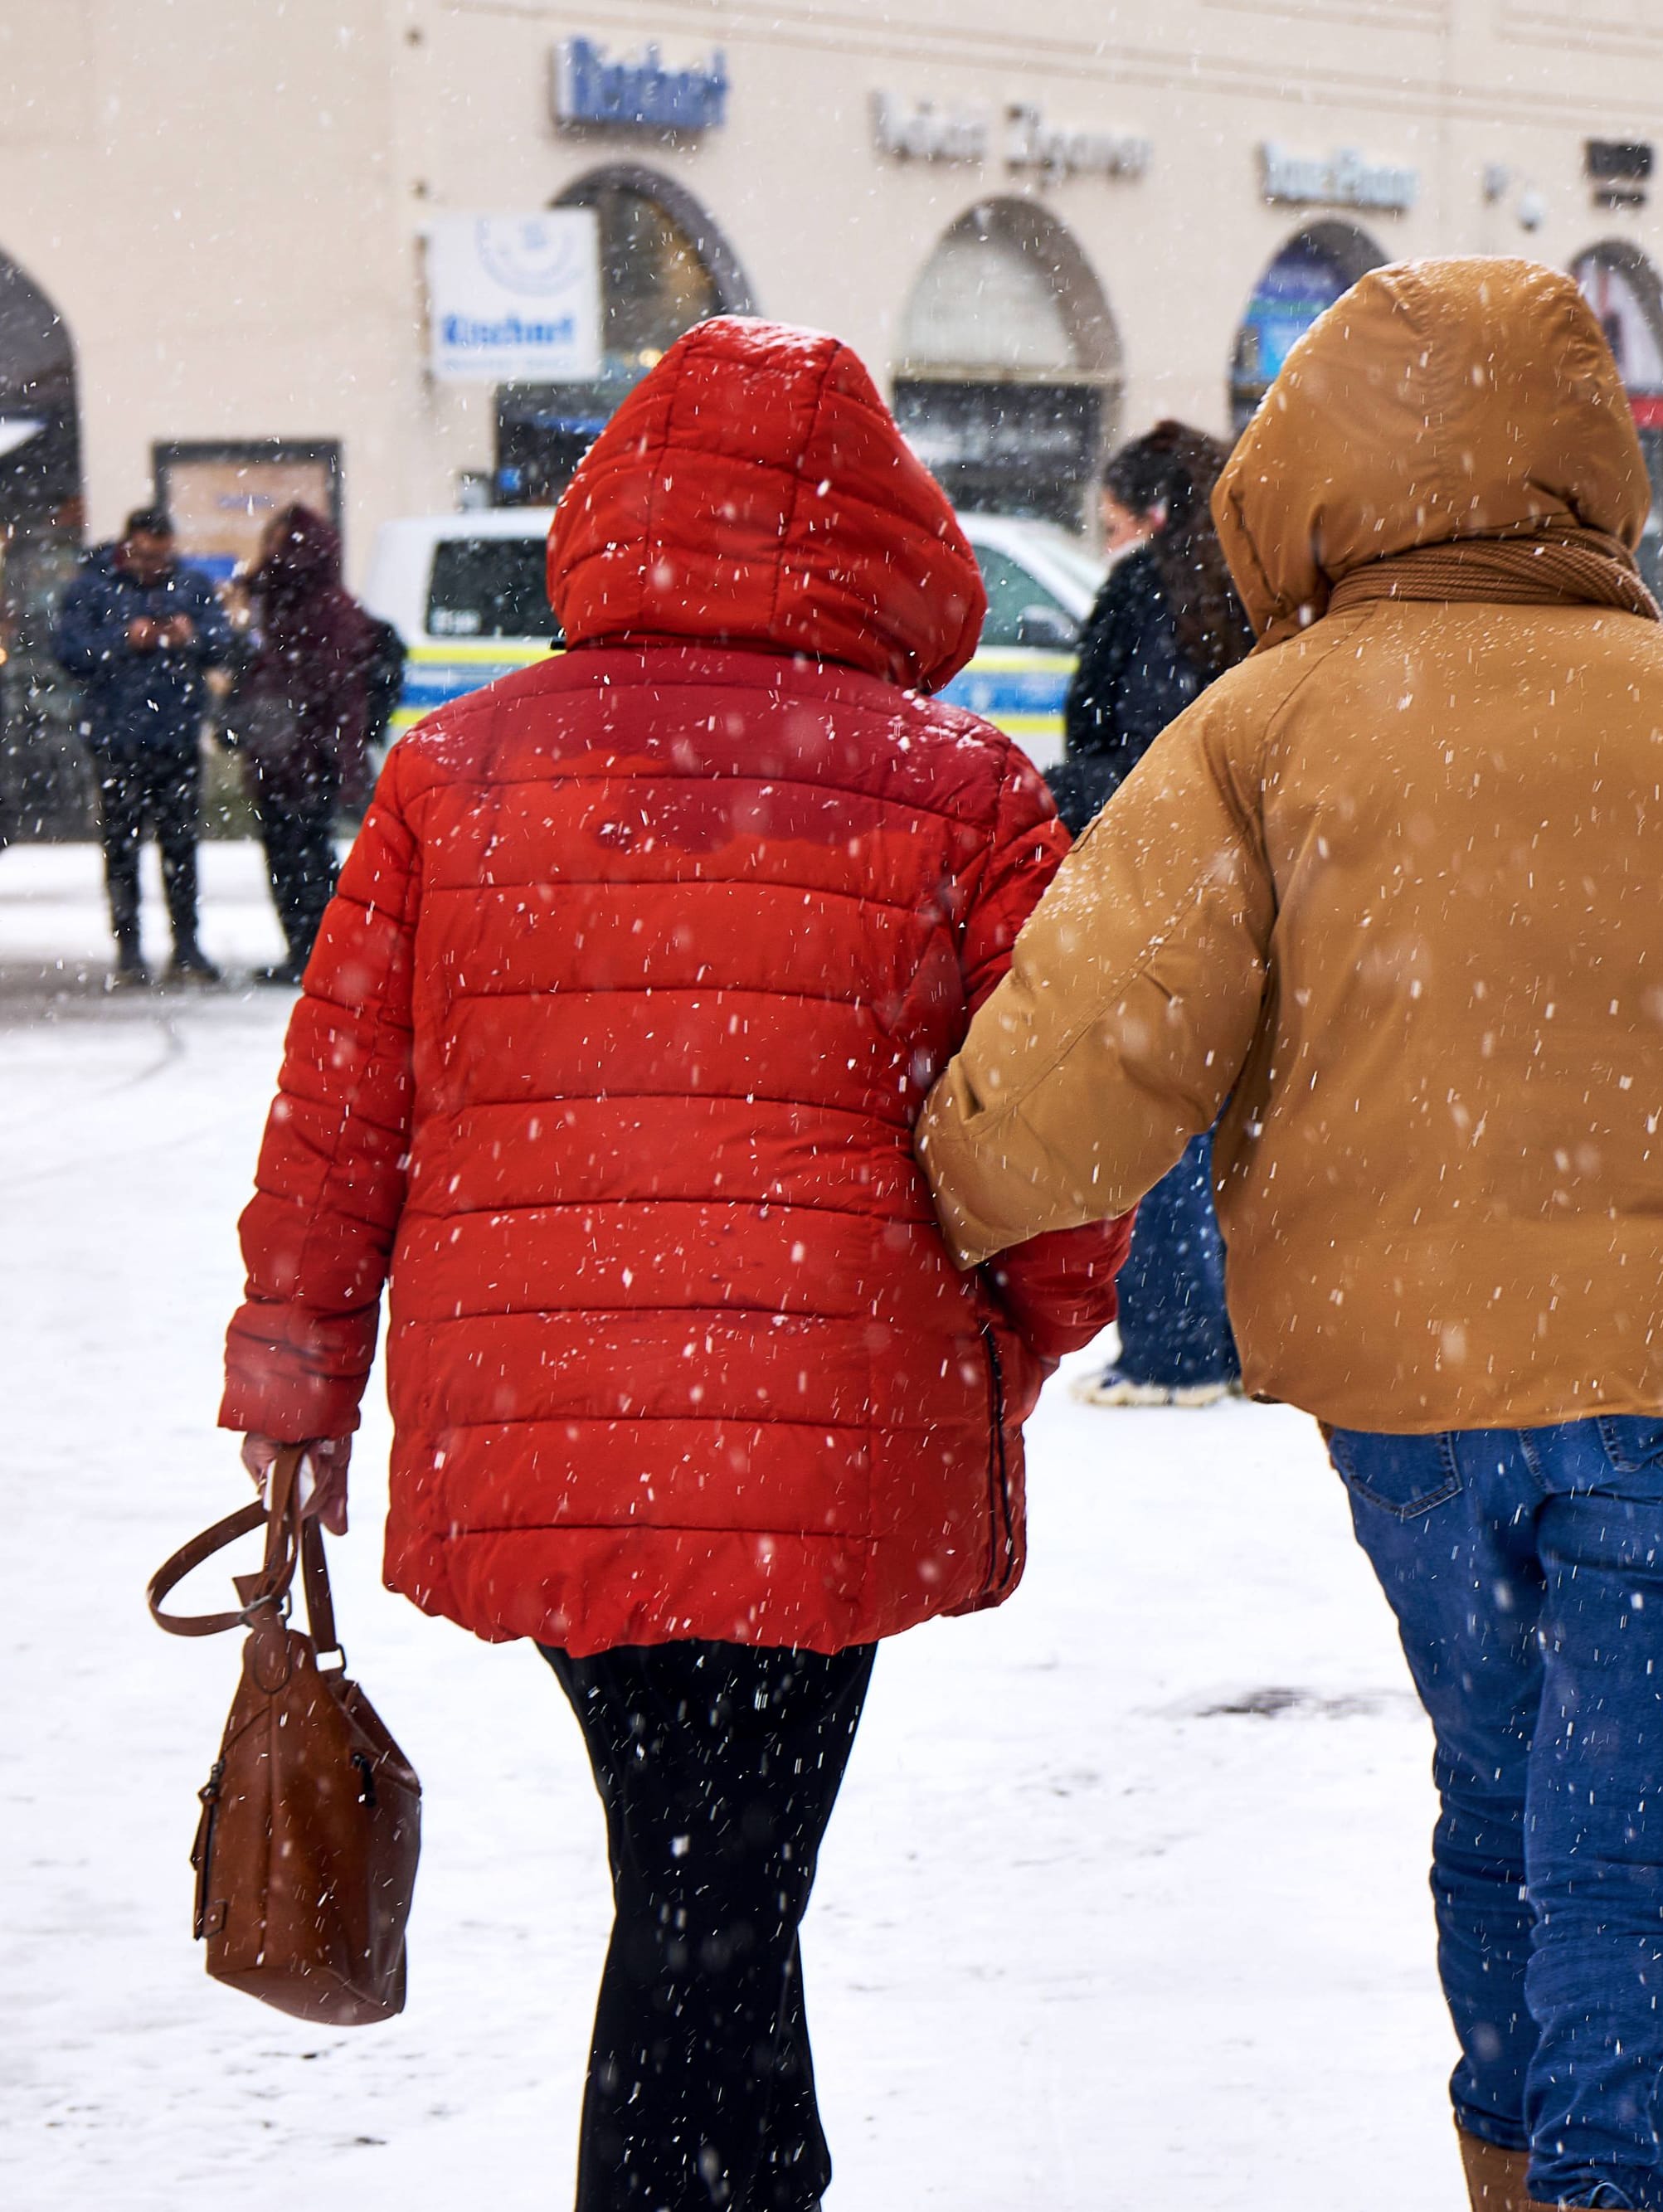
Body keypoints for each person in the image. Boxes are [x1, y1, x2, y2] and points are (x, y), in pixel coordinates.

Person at [917, 258, 1663, 2212]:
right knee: (1622, 1852)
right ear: (1576, 464)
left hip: (1410, 1394)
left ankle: (1504, 2164)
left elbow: (1105, 1051)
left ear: (1316, 470)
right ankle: (1601, 2178)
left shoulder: (1262, 726)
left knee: (1493, 1786)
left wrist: (951, 1191)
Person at [217, 319, 1129, 2212]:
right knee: (725, 1889)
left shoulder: (451, 778)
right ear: (890, 532)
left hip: (539, 1427)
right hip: (829, 1429)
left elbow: (338, 1116)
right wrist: (998, 1348)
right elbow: (1072, 1139)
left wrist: (298, 1375)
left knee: (698, 1877)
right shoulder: (956, 789)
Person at [1047, 424, 1252, 1408]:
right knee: (1253, 1105)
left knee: (1162, 1107)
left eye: (1113, 521)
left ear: (1148, 514)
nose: (1109, 539)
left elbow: (1091, 729)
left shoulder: (1140, 591)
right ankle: (1258, 1332)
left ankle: (1175, 1344)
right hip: (1269, 874)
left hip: (1160, 870)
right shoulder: (1268, 585)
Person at [52, 505, 231, 985]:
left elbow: (222, 641)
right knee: (122, 848)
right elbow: (69, 652)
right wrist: (123, 641)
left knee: (181, 846)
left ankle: (186, 945)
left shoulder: (191, 586)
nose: (154, 565)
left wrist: (189, 638)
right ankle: (130, 948)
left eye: (162, 556)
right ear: (126, 547)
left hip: (175, 737)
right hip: (117, 740)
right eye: (146, 555)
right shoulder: (92, 588)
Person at [228, 504, 375, 984]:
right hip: (290, 750)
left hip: (306, 753)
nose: (267, 549)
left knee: (303, 855)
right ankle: (309, 951)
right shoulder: (281, 599)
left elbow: (317, 681)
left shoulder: (317, 606)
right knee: (293, 855)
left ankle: (319, 952)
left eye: (276, 540)